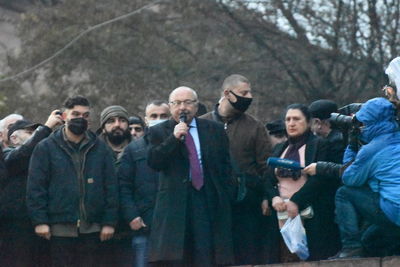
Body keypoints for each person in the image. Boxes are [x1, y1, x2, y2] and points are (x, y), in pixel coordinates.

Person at [26, 96, 118, 267]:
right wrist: (40, 221)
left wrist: (109, 222)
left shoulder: (101, 148)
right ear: (64, 116)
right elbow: (36, 187)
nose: (80, 119)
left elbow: (111, 187)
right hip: (58, 229)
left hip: (93, 229)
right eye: (75, 114)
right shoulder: (46, 148)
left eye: (85, 115)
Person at [147, 86, 234, 266]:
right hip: (175, 204)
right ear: (170, 107)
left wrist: (225, 195)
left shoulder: (215, 130)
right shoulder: (159, 132)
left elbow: (226, 166)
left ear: (196, 106)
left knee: (206, 254)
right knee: (178, 257)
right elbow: (155, 162)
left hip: (207, 198)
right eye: (177, 103)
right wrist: (174, 138)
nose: (182, 108)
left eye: (188, 102)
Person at [201, 74, 272, 265]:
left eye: (250, 92)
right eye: (244, 93)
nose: (249, 97)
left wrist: (267, 195)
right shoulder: (201, 124)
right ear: (227, 93)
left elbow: (265, 166)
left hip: (246, 202)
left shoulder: (255, 126)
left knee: (246, 254)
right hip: (211, 202)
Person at [264, 104, 340, 262]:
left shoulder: (320, 145)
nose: (291, 123)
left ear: (308, 122)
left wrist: (296, 201)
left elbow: (320, 179)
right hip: (282, 214)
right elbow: (268, 178)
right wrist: (274, 197)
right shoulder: (280, 148)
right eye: (288, 119)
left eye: (296, 119)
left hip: (311, 213)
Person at [331, 97, 400, 258]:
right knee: (370, 239)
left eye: (363, 124)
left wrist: (352, 144)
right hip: (393, 210)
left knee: (344, 193)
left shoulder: (372, 149)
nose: (361, 128)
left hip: (394, 210)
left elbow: (348, 178)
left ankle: (351, 248)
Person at [0, 113, 63, 267]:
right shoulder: (8, 156)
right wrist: (46, 127)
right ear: (13, 138)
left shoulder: (42, 158)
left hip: (39, 224)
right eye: (30, 133)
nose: (34, 136)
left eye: (35, 133)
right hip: (14, 228)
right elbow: (23, 154)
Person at [119, 100, 170, 267]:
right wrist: (132, 215)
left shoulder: (180, 145)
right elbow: (123, 186)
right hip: (145, 225)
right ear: (146, 120)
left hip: (173, 226)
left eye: (163, 115)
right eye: (154, 116)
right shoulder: (133, 150)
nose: (159, 119)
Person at [97, 105, 132, 267]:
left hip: (132, 228)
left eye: (122, 120)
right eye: (111, 121)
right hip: (99, 230)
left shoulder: (140, 150)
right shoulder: (92, 152)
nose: (117, 124)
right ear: (103, 127)